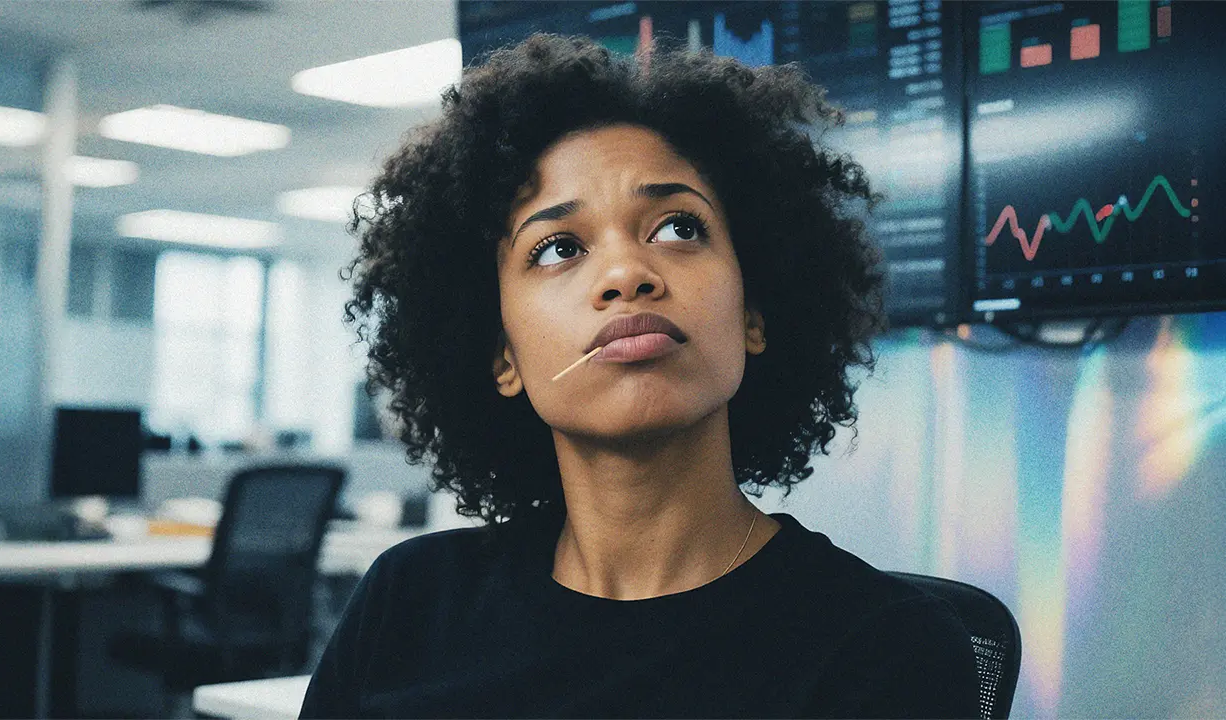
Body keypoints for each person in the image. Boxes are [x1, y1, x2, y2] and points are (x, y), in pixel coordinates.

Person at [301, 33, 978, 719]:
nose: (627, 273)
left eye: (679, 228)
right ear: (503, 357)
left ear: (753, 315)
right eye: (558, 248)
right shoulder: (409, 600)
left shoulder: (885, 648)